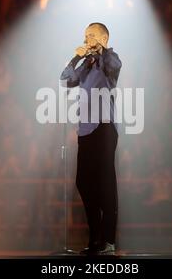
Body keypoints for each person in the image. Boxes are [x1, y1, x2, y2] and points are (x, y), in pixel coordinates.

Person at [60, 23, 122, 255]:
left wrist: (101, 50)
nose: (87, 39)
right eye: (85, 35)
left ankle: (108, 240)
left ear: (104, 38)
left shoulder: (110, 59)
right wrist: (75, 58)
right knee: (83, 183)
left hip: (104, 128)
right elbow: (65, 79)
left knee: (106, 183)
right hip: (85, 130)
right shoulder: (86, 64)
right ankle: (95, 238)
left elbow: (113, 66)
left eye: (92, 35)